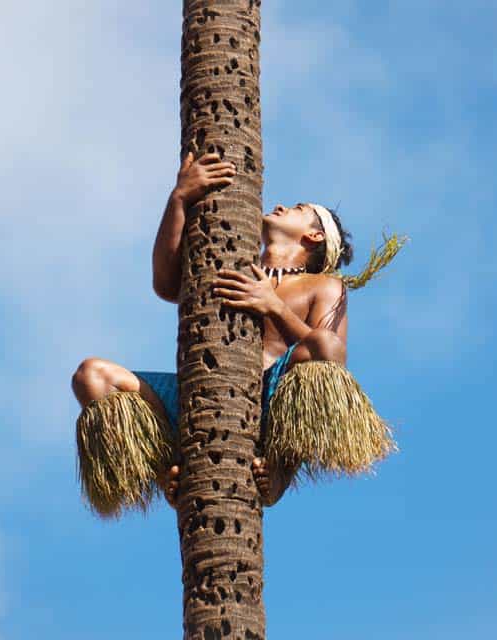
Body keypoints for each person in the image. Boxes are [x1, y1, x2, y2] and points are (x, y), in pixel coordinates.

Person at [71, 151, 356, 508]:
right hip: (199, 397)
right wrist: (179, 198)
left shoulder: (323, 285)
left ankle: (279, 469)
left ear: (314, 235)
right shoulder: (228, 258)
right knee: (91, 376)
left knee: (324, 345)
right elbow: (166, 284)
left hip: (272, 398)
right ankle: (172, 472)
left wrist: (273, 305)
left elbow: (330, 356)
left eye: (299, 208)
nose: (283, 205)